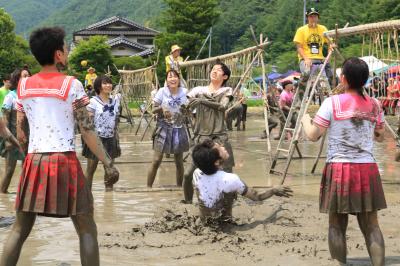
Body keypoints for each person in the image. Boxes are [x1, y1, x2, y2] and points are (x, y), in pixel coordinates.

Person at [0, 27, 119, 266]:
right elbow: (87, 131)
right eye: (65, 47)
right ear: (58, 55)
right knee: (86, 228)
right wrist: (108, 162)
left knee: (19, 230)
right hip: (64, 160)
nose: (67, 51)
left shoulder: (22, 87)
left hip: (34, 162)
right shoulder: (71, 85)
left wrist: (26, 150)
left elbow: (22, 132)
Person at [301, 57, 386, 266]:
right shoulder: (375, 104)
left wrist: (304, 119)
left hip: (339, 168)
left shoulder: (332, 102)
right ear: (365, 80)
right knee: (371, 226)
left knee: (337, 225)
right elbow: (380, 135)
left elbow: (313, 135)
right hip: (367, 168)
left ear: (343, 79)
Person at [192, 139, 293, 220]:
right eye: (219, 148)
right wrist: (274, 190)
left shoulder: (196, 173)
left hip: (204, 222)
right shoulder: (231, 179)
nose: (223, 147)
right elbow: (257, 197)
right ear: (217, 162)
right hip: (224, 226)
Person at [182, 62, 235, 203]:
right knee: (188, 174)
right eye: (213, 69)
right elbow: (186, 106)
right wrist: (185, 110)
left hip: (219, 137)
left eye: (218, 70)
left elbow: (223, 107)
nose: (214, 71)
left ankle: (229, 202)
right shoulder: (198, 90)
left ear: (225, 76)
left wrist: (201, 101)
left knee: (227, 172)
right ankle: (187, 203)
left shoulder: (226, 90)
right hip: (200, 137)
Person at [147, 70, 190, 188]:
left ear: (179, 79)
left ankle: (179, 188)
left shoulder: (185, 92)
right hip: (163, 128)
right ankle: (148, 188)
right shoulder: (162, 91)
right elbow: (153, 110)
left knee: (179, 162)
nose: (173, 79)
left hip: (179, 128)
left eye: (175, 76)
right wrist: (162, 108)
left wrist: (186, 110)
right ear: (166, 81)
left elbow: (189, 111)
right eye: (170, 77)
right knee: (156, 160)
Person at [82, 75, 121, 191]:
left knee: (109, 169)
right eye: (105, 83)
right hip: (96, 139)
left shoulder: (115, 101)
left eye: (109, 83)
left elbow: (116, 120)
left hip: (110, 139)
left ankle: (109, 195)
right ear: (99, 86)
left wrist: (116, 137)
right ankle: (87, 194)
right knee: (91, 169)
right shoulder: (93, 102)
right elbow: (87, 123)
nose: (108, 85)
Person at [293, 7, 334, 99]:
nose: (313, 18)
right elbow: (299, 47)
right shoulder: (301, 30)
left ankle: (329, 97)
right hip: (306, 58)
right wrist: (306, 59)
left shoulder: (323, 28)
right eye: (311, 16)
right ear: (307, 17)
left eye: (315, 16)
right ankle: (300, 91)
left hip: (320, 58)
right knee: (306, 73)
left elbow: (330, 43)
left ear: (318, 18)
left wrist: (329, 55)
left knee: (331, 75)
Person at [0, 69, 25, 193]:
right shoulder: (11, 97)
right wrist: (7, 140)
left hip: (28, 139)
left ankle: (23, 198)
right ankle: (2, 195)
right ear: (16, 79)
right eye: (24, 76)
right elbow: (4, 120)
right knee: (10, 170)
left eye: (28, 76)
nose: (27, 79)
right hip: (12, 138)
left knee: (27, 170)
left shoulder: (30, 97)